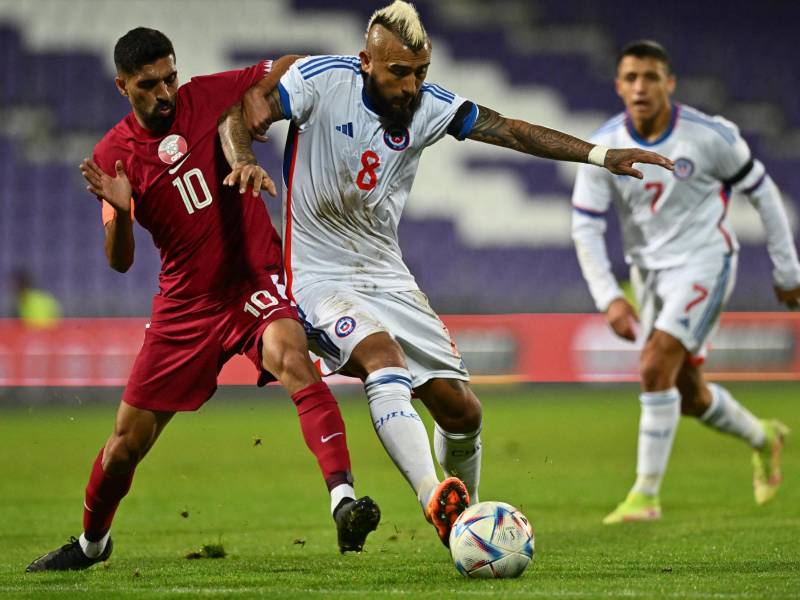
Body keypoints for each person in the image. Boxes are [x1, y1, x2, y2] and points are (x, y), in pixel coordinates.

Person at [224, 1, 673, 546]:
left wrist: (600, 155)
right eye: (399, 72)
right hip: (319, 276)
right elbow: (238, 111)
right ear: (366, 61)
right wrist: (243, 157)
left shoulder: (428, 106)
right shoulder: (321, 81)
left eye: (420, 72)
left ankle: (469, 519)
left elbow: (510, 131)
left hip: (387, 274)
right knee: (382, 359)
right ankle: (434, 500)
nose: (411, 86)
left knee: (461, 411)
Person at [26, 28, 379, 573]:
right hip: (185, 308)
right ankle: (92, 544)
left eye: (170, 77)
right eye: (149, 85)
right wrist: (122, 214)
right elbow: (119, 261)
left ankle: (343, 503)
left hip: (251, 282)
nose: (166, 92)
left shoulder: (210, 94)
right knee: (124, 446)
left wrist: (316, 75)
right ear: (123, 87)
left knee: (293, 358)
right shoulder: (112, 156)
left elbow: (286, 65)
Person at [570, 40, 797, 524]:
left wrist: (788, 271)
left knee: (655, 365)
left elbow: (763, 192)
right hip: (648, 275)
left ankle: (645, 497)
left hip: (704, 261)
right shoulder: (603, 147)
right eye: (631, 78)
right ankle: (763, 437)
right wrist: (609, 297)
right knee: (689, 395)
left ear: (670, 83)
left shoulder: (709, 136)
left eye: (651, 77)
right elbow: (584, 225)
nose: (640, 87)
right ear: (618, 86)